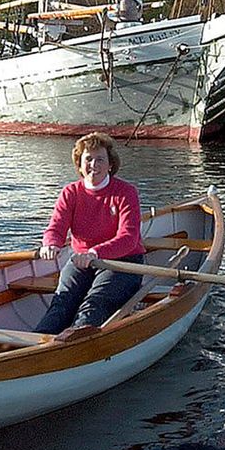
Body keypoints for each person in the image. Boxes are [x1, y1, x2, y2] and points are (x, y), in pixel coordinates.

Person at [35, 133, 145, 335]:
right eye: (88, 159)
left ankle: (75, 341)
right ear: (79, 164)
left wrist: (95, 253)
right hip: (81, 260)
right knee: (62, 302)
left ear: (110, 164)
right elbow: (56, 227)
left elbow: (128, 238)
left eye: (100, 159)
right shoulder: (71, 193)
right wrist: (51, 243)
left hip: (123, 261)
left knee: (94, 303)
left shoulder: (125, 192)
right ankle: (35, 346)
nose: (93, 164)